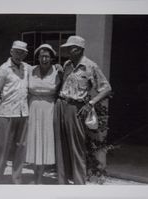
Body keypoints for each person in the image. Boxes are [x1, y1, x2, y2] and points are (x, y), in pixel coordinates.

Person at [54, 36, 112, 185]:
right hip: (61, 105)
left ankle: (79, 183)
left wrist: (91, 102)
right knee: (61, 146)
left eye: (71, 47)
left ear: (80, 49)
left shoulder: (90, 66)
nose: (68, 50)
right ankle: (62, 182)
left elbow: (106, 89)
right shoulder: (67, 64)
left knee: (76, 146)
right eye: (67, 48)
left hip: (76, 108)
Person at [0, 40, 30, 184]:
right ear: (11, 52)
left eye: (22, 52)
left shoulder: (28, 69)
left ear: (25, 54)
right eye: (17, 51)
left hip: (23, 114)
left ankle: (16, 179)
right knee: (2, 150)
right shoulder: (3, 69)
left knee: (21, 148)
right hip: (5, 114)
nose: (19, 55)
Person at [26, 44, 61, 184]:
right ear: (38, 58)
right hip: (33, 108)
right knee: (34, 140)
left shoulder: (57, 72)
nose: (44, 59)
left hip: (49, 109)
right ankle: (36, 175)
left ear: (52, 58)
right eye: (41, 56)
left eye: (47, 56)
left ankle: (40, 176)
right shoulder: (30, 70)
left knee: (45, 141)